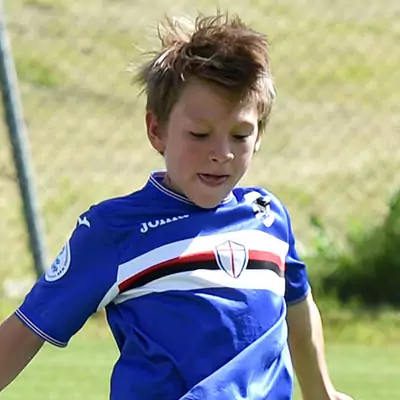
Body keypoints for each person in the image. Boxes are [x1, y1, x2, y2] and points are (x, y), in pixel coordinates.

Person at [0, 12, 353, 400]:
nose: (221, 153)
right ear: (157, 130)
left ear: (259, 137)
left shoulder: (268, 217)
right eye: (200, 134)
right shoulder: (116, 230)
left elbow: (298, 305)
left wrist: (321, 391)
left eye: (240, 135)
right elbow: (26, 329)